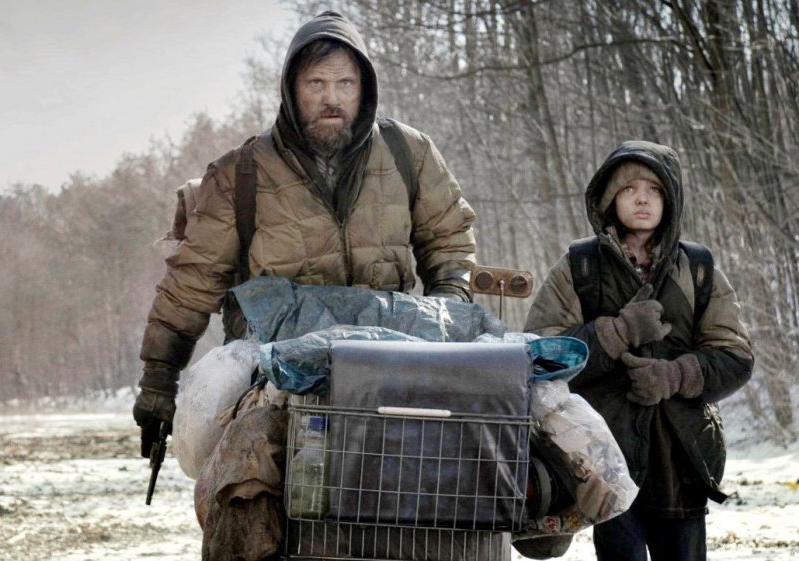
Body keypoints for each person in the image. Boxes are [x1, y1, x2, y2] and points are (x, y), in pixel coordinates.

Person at [134, 11, 477, 460]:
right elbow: (190, 287)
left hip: (391, 357)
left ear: (365, 88)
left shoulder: (408, 153)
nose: (331, 98)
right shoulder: (239, 175)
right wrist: (159, 383)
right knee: (246, 480)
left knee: (469, 467)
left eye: (345, 84)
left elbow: (449, 243)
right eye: (316, 83)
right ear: (291, 90)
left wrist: (445, 316)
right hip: (272, 372)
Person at [525, 140, 753, 560]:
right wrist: (615, 333)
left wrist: (677, 375)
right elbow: (539, 357)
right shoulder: (580, 266)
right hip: (605, 460)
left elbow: (736, 356)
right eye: (629, 189)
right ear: (611, 198)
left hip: (681, 459)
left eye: (655, 189)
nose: (643, 198)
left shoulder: (698, 268)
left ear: (671, 199)